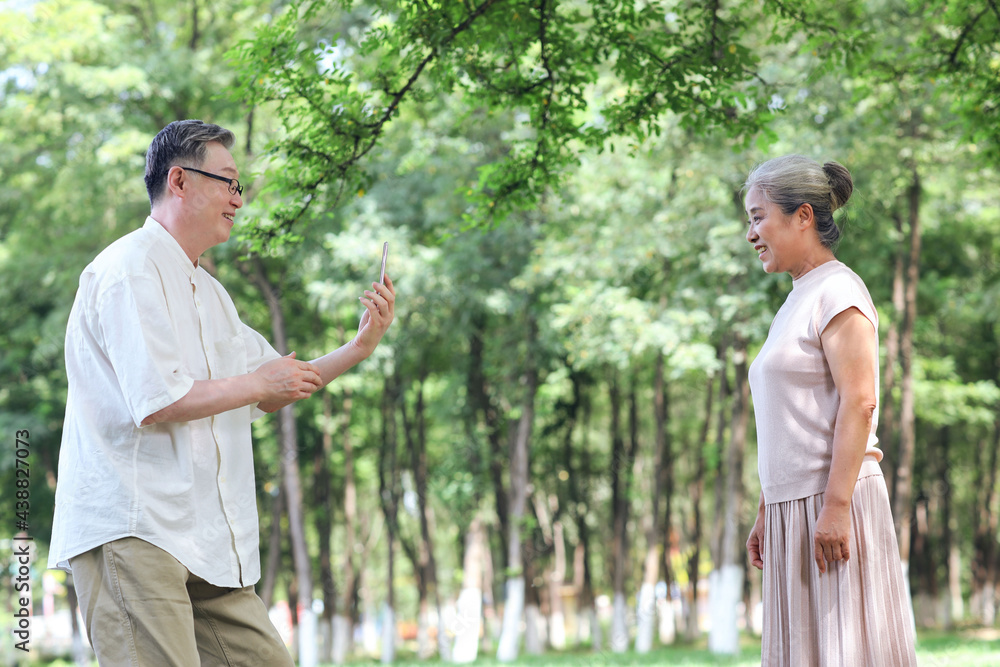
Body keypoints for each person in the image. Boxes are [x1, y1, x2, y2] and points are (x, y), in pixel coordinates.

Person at [47, 119, 396, 666]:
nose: (239, 198)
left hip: (207, 541)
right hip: (135, 527)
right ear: (180, 181)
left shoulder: (210, 292)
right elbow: (158, 401)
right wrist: (259, 382)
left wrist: (359, 346)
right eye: (229, 182)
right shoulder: (128, 269)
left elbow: (280, 382)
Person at [742, 154, 917, 666]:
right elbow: (795, 418)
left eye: (758, 216)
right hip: (793, 508)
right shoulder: (796, 298)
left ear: (803, 216)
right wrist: (764, 508)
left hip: (832, 503)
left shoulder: (838, 291)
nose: (751, 233)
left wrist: (837, 509)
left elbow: (860, 403)